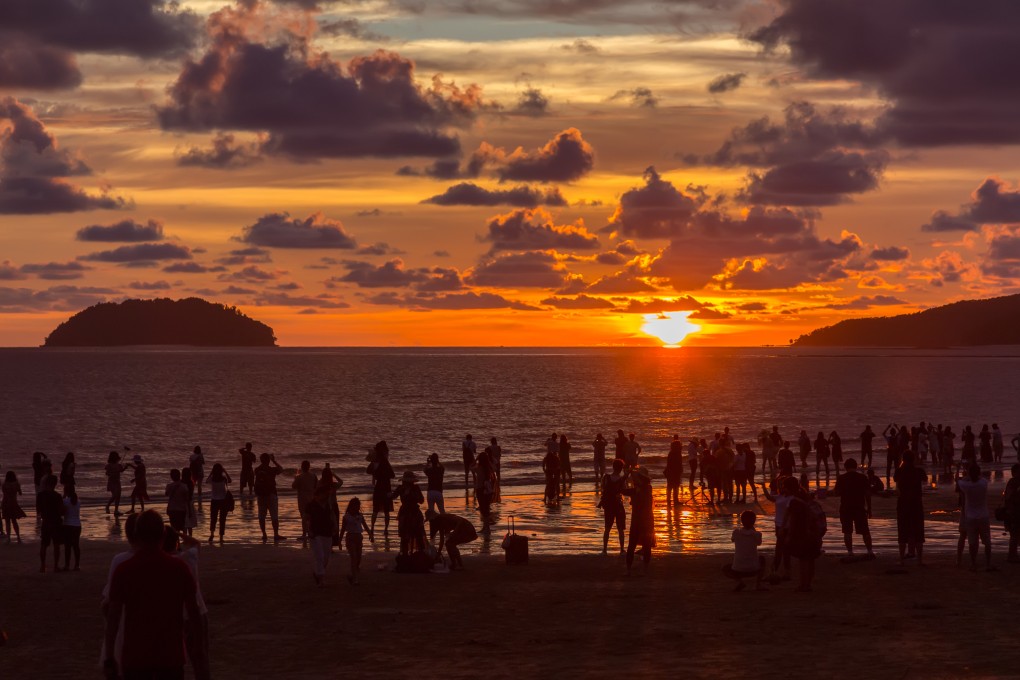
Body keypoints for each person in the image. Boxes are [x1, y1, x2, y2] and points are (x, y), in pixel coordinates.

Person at [103, 509, 201, 680]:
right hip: (171, 656)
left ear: (137, 535)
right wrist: (199, 648)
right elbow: (194, 613)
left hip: (135, 657)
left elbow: (113, 618)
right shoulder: (179, 569)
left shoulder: (124, 570)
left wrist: (109, 655)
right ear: (163, 536)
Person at [782, 478, 822, 592]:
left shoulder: (794, 501)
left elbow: (794, 520)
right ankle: (808, 584)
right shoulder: (804, 496)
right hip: (813, 532)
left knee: (803, 560)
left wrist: (789, 534)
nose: (783, 489)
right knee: (810, 559)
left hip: (803, 533)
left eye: (784, 486)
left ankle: (804, 585)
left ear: (788, 487)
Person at [832, 459, 874, 560]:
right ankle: (870, 551)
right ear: (856, 466)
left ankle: (850, 552)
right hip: (859, 507)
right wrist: (869, 508)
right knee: (865, 531)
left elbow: (836, 493)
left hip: (846, 507)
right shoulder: (862, 477)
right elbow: (867, 494)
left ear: (845, 467)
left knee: (847, 531)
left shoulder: (841, 478)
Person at [958, 463, 993, 571]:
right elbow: (981, 477)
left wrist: (962, 472)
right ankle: (988, 563)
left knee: (972, 542)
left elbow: (958, 480)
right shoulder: (983, 483)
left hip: (971, 516)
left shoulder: (966, 486)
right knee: (987, 541)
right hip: (983, 515)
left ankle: (973, 563)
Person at [894, 451, 927, 566]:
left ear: (903, 460)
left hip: (903, 503)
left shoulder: (899, 471)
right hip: (916, 503)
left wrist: (901, 464)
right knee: (918, 532)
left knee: (902, 531)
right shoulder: (919, 471)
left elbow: (895, 479)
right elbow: (925, 479)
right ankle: (919, 560)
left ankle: (902, 559)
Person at [621, 466, 654, 575]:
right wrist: (629, 474)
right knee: (646, 545)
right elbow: (624, 490)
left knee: (633, 545)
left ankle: (629, 570)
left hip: (638, 520)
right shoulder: (647, 488)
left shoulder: (639, 490)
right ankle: (644, 569)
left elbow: (623, 490)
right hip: (647, 520)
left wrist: (627, 475)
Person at [725, 510, 766, 592]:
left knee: (725, 568)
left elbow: (733, 540)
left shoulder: (736, 532)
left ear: (741, 521)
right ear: (754, 521)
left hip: (738, 570)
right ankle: (758, 585)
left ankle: (739, 581)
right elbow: (759, 543)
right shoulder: (757, 534)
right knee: (762, 559)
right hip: (754, 569)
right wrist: (753, 529)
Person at [338, 498, 373, 584]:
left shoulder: (360, 516)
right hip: (350, 537)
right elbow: (342, 529)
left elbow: (365, 526)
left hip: (359, 537)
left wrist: (370, 534)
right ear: (350, 506)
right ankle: (355, 578)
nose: (356, 508)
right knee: (353, 557)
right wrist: (339, 541)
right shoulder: (346, 517)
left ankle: (354, 572)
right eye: (354, 506)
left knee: (358, 557)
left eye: (357, 506)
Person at [306, 485, 335, 586]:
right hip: (315, 532)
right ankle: (321, 580)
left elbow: (331, 515)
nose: (327, 496)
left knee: (326, 557)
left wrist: (334, 526)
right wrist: (309, 531)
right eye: (325, 494)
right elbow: (308, 519)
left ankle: (318, 573)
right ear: (319, 494)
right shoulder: (311, 505)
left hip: (327, 531)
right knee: (320, 557)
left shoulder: (328, 504)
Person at [391, 471, 426, 556]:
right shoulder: (401, 488)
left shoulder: (415, 488)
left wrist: (413, 494)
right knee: (405, 536)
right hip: (407, 512)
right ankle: (406, 554)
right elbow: (393, 496)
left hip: (413, 512)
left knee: (417, 534)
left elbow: (421, 500)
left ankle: (419, 554)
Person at [253, 453, 286, 542]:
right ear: (268, 460)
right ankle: (275, 534)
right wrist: (274, 460)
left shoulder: (257, 470)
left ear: (261, 460)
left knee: (261, 515)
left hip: (260, 495)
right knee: (274, 515)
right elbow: (281, 469)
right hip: (271, 494)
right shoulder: (271, 470)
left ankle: (264, 534)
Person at [599, 459, 627, 555]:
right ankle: (622, 549)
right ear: (621, 468)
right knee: (620, 529)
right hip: (618, 505)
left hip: (608, 505)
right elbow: (624, 491)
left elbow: (602, 489)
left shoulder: (606, 477)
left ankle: (605, 549)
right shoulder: (622, 479)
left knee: (607, 528)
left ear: (613, 467)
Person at [37, 474, 64, 572]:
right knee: (56, 544)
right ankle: (56, 566)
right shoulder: (57, 496)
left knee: (44, 544)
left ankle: (42, 566)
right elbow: (61, 511)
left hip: (46, 521)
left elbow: (38, 510)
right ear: (54, 484)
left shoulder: (40, 496)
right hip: (56, 522)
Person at [367, 441, 394, 533]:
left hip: (378, 487)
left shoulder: (375, 461)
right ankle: (386, 529)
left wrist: (376, 473)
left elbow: (368, 471)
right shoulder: (385, 461)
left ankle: (372, 528)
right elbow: (392, 475)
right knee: (386, 510)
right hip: (386, 487)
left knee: (375, 509)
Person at [292, 461, 318, 541]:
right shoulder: (314, 476)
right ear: (309, 466)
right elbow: (316, 486)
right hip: (312, 498)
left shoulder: (299, 477)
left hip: (302, 499)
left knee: (303, 516)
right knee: (310, 517)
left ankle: (304, 534)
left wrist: (295, 478)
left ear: (302, 467)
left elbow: (293, 486)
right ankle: (310, 532)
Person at [206, 463, 231, 544]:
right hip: (223, 500)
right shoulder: (223, 478)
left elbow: (206, 481)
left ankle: (212, 534)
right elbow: (229, 480)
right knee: (222, 519)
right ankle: (221, 537)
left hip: (214, 500)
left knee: (213, 518)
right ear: (221, 470)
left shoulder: (212, 478)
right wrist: (225, 472)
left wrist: (211, 473)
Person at [1002, 463, 1020, 563]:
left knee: (1015, 534)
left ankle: (1013, 555)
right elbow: (1009, 498)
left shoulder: (1013, 482)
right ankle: (1011, 555)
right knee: (1014, 534)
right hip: (1014, 512)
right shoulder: (1013, 482)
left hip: (1014, 511)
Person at [2, 470, 25, 543]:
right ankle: (18, 537)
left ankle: (8, 538)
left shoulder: (4, 484)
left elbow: (4, 493)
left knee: (7, 521)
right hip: (13, 503)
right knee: (14, 521)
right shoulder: (16, 484)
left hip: (5, 503)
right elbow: (20, 493)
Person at [105, 451, 127, 516]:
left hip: (117, 482)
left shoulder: (119, 465)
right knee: (114, 495)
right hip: (112, 482)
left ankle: (116, 510)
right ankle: (107, 506)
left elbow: (121, 471)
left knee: (118, 496)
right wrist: (112, 474)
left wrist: (125, 467)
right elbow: (107, 473)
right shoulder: (109, 465)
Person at [664, 435, 684, 505]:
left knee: (670, 486)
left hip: (671, 472)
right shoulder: (676, 454)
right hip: (674, 472)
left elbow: (669, 464)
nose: (681, 447)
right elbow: (678, 464)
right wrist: (680, 470)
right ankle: (675, 500)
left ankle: (669, 500)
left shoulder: (671, 453)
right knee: (675, 486)